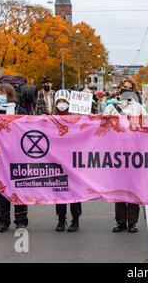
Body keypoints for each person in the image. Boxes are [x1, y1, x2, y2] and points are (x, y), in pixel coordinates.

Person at [104, 77, 147, 233]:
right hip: (116, 154)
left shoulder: (138, 108)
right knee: (119, 188)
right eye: (124, 87)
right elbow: (101, 127)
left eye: (130, 88)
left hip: (134, 154)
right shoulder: (110, 107)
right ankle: (120, 221)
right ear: (119, 89)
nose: (126, 90)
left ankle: (133, 222)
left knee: (134, 188)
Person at [0, 83, 28, 232]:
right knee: (0, 189)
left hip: (17, 156)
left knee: (19, 187)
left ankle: (21, 220)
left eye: (2, 93)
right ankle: (3, 220)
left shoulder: (20, 110)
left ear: (9, 95)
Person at [51, 89, 83, 232]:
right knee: (60, 190)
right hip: (57, 160)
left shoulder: (76, 118)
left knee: (75, 191)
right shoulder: (49, 119)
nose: (62, 104)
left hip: (74, 160)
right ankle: (60, 218)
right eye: (60, 102)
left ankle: (75, 219)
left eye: (64, 101)